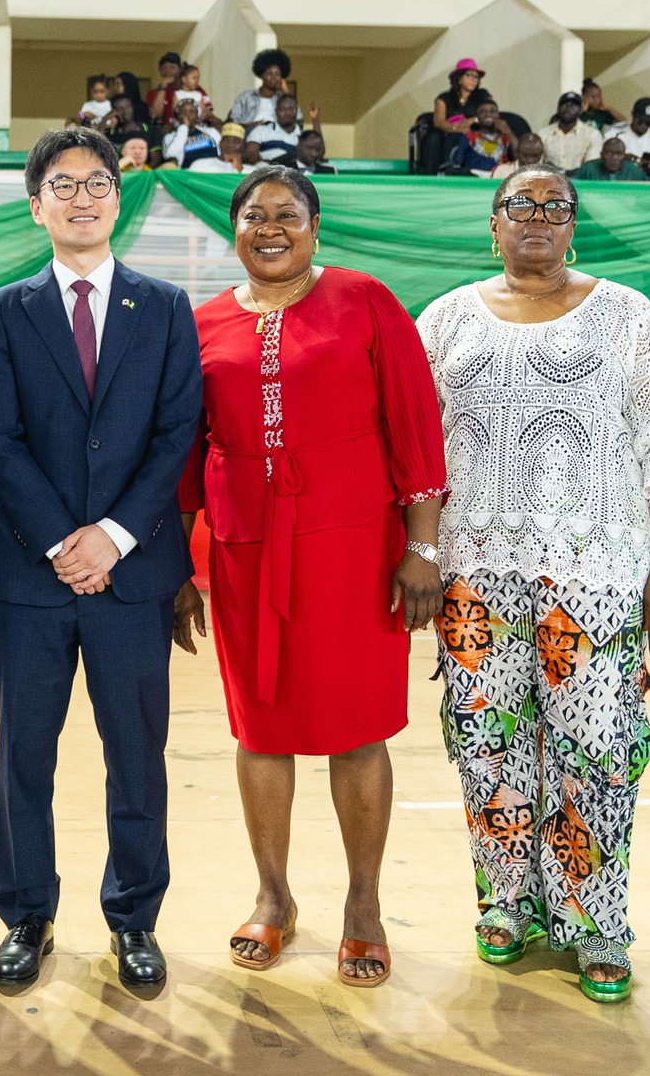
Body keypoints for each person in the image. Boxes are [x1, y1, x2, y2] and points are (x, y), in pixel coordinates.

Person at [416, 165, 650, 1004]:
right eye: (520, 206)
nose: (537, 218)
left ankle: (596, 921)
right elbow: (417, 459)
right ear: (493, 222)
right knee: (485, 744)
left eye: (555, 206)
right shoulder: (445, 322)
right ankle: (507, 903)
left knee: (598, 751)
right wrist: (426, 556)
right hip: (475, 578)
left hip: (598, 575)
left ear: (575, 222)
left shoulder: (629, 318)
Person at [175, 165, 446, 986]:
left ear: (315, 225)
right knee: (259, 726)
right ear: (234, 230)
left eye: (286, 214)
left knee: (355, 727)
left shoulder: (365, 300)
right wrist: (181, 570)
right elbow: (184, 454)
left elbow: (417, 426)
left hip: (354, 550)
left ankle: (363, 905)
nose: (270, 228)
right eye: (253, 215)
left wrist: (423, 548)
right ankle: (274, 895)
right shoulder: (202, 322)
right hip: (244, 551)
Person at [0, 127, 203, 998]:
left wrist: (115, 535)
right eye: (61, 185)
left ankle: (135, 917)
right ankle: (27, 916)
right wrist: (64, 541)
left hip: (134, 575)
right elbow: (0, 435)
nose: (80, 198)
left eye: (97, 183)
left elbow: (177, 431)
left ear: (119, 198)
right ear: (36, 205)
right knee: (23, 753)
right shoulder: (4, 312)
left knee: (136, 754)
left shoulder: (165, 307)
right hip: (31, 577)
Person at [604, 96, 650, 174]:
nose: (643, 125)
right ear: (632, 114)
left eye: (648, 123)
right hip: (619, 176)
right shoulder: (614, 131)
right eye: (640, 121)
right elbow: (602, 160)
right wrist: (624, 158)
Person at [538, 91, 603, 173]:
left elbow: (590, 167)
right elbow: (538, 163)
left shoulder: (592, 134)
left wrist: (563, 173)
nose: (568, 107)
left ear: (580, 110)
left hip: (580, 183)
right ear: (558, 108)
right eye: (564, 104)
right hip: (550, 182)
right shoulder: (543, 134)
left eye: (573, 105)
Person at [450, 97, 515, 175]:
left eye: (492, 111)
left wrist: (509, 132)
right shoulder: (469, 137)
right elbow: (457, 164)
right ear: (477, 118)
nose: (488, 114)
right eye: (483, 112)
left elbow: (519, 157)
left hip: (500, 178)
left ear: (498, 115)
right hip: (475, 178)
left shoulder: (506, 139)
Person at [228, 48, 292, 127]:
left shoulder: (283, 99)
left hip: (277, 135)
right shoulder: (246, 96)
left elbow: (297, 121)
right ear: (261, 75)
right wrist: (251, 125)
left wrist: (286, 92)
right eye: (269, 73)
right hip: (249, 134)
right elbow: (233, 121)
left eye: (277, 74)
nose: (273, 77)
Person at [249, 93, 316, 163]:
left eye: (290, 109)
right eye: (282, 109)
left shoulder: (304, 137)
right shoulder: (261, 130)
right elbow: (251, 153)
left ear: (296, 111)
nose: (287, 113)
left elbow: (319, 153)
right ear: (276, 111)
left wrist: (315, 120)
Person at [163, 96, 223, 169]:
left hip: (213, 173)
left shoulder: (211, 132)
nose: (187, 115)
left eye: (191, 112)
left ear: (197, 116)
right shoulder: (170, 137)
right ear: (178, 116)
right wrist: (183, 128)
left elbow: (222, 153)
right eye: (183, 112)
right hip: (188, 176)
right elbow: (171, 155)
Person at [433, 59, 486, 135]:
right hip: (451, 136)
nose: (473, 79)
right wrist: (457, 128)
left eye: (476, 76)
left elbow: (491, 117)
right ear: (459, 79)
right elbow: (439, 122)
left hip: (477, 137)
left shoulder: (482, 96)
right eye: (468, 75)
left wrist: (474, 119)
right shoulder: (444, 98)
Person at [577, 133, 648, 182]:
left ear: (624, 156)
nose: (614, 158)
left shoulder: (635, 172)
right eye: (609, 153)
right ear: (601, 155)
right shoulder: (588, 169)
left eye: (619, 154)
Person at [145, 52, 183, 126]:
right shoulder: (153, 93)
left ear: (180, 70)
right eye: (164, 68)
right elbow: (154, 114)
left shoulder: (186, 90)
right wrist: (163, 86)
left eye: (172, 67)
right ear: (160, 71)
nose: (168, 71)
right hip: (162, 131)